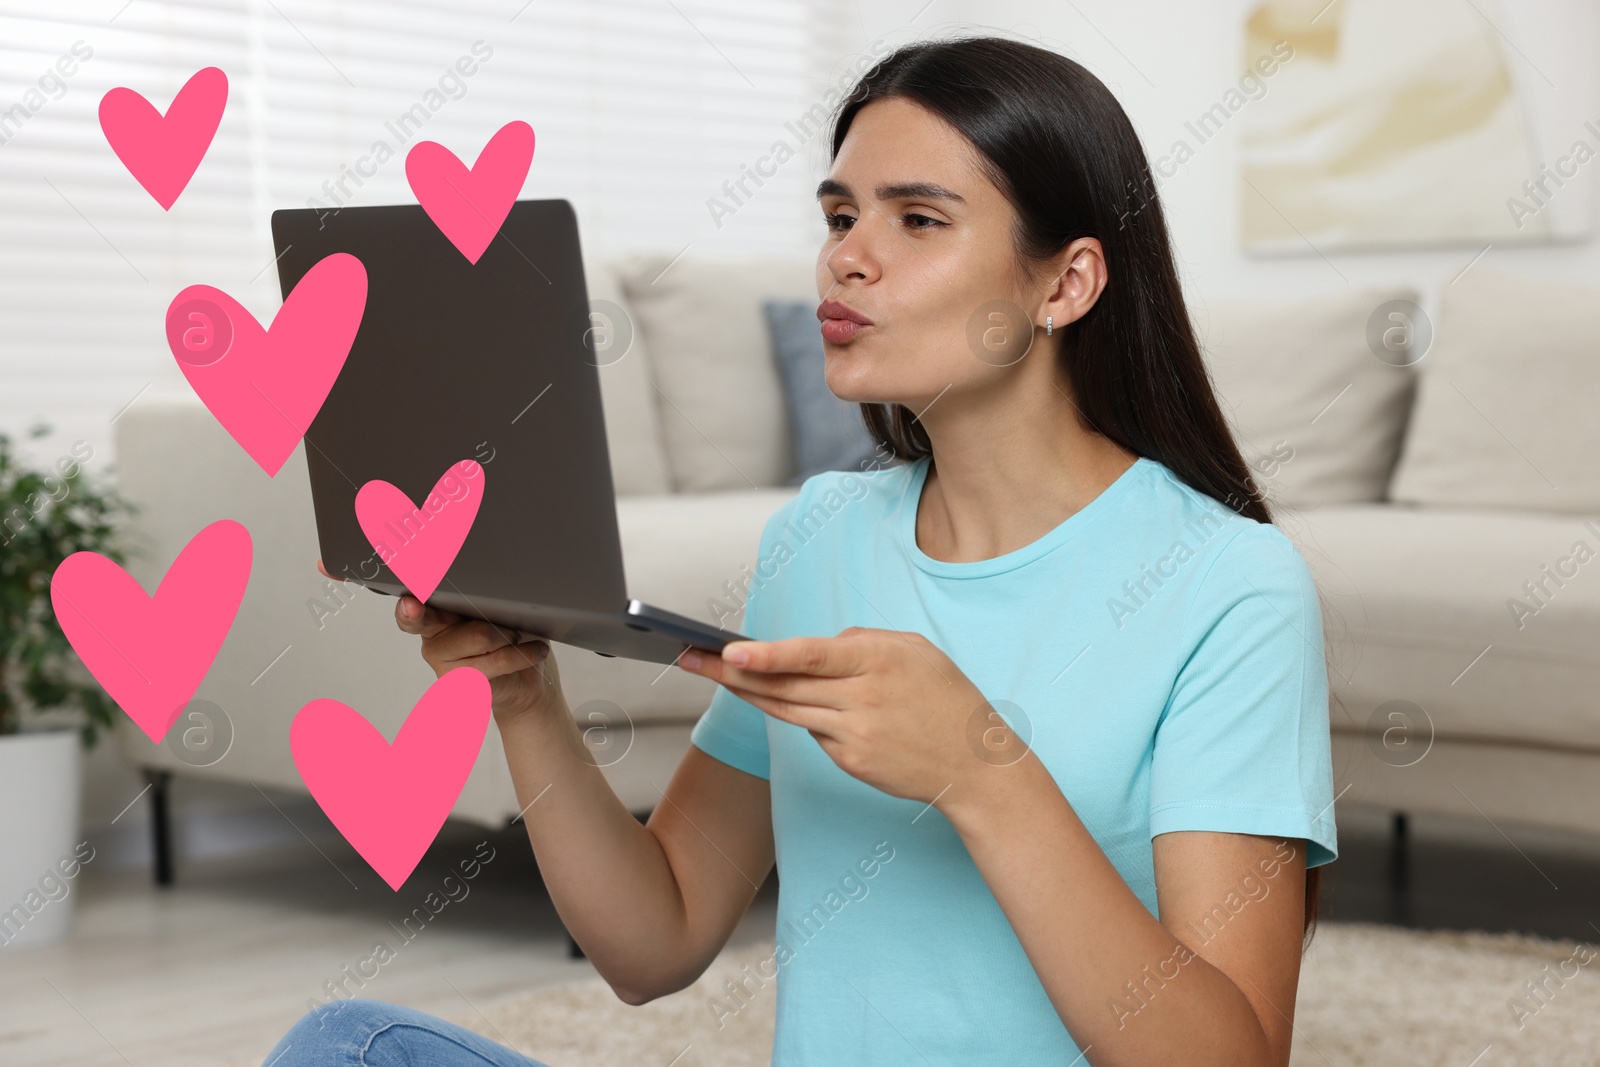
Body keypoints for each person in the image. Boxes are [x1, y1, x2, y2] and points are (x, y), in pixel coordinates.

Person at [264, 34, 1337, 1067]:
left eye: (918, 219)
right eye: (838, 213)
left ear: (1065, 284)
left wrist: (980, 767)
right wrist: (524, 697)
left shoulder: (1226, 585)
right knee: (347, 1047)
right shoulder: (820, 536)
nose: (846, 257)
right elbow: (656, 939)